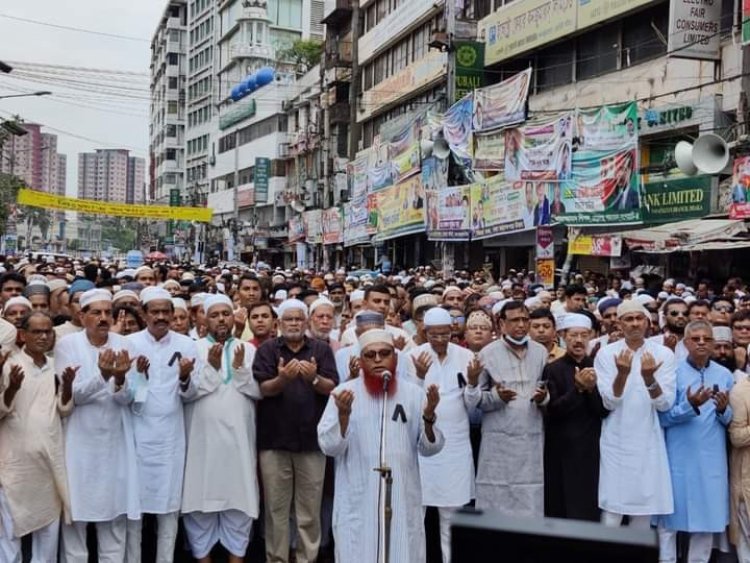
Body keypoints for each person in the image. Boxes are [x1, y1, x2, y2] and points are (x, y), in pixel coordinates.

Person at [317, 329, 443, 563]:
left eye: (384, 354)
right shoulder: (342, 393)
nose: (377, 359)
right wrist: (343, 418)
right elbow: (328, 446)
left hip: (402, 495)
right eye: (370, 355)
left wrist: (428, 417)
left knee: (402, 549)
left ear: (394, 358)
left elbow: (430, 448)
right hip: (358, 495)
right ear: (361, 360)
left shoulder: (413, 394)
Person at [55, 288, 140, 562]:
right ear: (81, 316)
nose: (104, 318)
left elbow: (128, 398)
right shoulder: (67, 346)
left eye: (108, 312)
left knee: (113, 521)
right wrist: (103, 376)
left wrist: (119, 380)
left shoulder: (125, 344)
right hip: (78, 443)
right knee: (75, 523)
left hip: (115, 444)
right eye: (96, 313)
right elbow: (72, 397)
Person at [252, 299, 339, 563]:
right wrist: (283, 379)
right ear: (278, 323)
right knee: (276, 510)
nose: (293, 324)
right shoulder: (268, 350)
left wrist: (312, 377)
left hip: (312, 443)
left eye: (298, 319)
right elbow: (263, 389)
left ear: (306, 322)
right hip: (274, 441)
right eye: (288, 319)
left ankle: (306, 559)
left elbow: (331, 386)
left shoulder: (321, 350)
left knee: (309, 510)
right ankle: (276, 559)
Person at [181, 294, 261, 562]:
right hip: (202, 442)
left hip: (239, 440)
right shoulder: (192, 348)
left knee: (239, 505)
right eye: (214, 315)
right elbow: (187, 393)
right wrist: (212, 369)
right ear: (204, 319)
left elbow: (257, 392)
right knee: (199, 506)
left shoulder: (248, 349)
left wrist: (239, 370)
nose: (221, 319)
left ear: (234, 317)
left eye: (225, 313)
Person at [125, 287, 199, 563]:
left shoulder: (187, 344)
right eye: (154, 312)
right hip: (137, 436)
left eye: (165, 312)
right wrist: (141, 377)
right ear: (144, 314)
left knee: (168, 510)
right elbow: (129, 398)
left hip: (170, 438)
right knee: (135, 510)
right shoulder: (130, 343)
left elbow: (192, 394)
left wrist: (184, 378)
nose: (160, 317)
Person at [0, 311, 75, 562]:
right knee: (9, 537)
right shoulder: (9, 365)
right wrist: (11, 390)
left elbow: (64, 410)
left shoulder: (58, 366)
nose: (43, 336)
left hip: (48, 465)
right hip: (14, 466)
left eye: (48, 331)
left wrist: (68, 388)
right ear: (22, 335)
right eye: (37, 332)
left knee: (48, 535)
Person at [594, 299, 676, 528]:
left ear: (648, 323)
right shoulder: (606, 354)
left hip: (649, 442)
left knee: (644, 511)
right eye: (628, 319)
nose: (634, 324)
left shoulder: (663, 354)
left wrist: (649, 379)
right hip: (616, 440)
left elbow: (665, 404)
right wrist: (622, 374)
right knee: (612, 511)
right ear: (619, 324)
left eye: (639, 318)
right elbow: (609, 403)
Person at [657, 320, 733, 563]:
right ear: (685, 342)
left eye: (707, 339)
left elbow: (730, 419)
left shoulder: (724, 375)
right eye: (696, 338)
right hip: (677, 457)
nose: (702, 342)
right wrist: (689, 406)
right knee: (668, 521)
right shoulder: (673, 371)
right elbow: (663, 418)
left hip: (711, 459)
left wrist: (723, 410)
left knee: (706, 521)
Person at [406, 307, 476, 563]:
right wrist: (420, 378)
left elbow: (472, 404)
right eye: (434, 335)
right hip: (421, 446)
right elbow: (408, 401)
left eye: (444, 334)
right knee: (416, 517)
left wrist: (474, 383)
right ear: (424, 332)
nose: (439, 340)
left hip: (455, 447)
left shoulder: (466, 356)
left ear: (452, 331)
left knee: (451, 516)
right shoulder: (411, 357)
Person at [464, 301, 548, 515]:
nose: (521, 325)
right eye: (515, 320)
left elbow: (547, 392)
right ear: (501, 324)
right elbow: (474, 401)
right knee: (496, 500)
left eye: (524, 320)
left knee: (530, 498)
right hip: (498, 442)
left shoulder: (540, 352)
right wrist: (496, 397)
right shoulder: (487, 353)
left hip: (531, 438)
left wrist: (543, 398)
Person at [543, 313, 608, 521]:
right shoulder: (552, 369)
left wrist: (590, 390)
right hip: (561, 447)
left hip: (591, 446)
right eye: (573, 335)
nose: (579, 340)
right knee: (561, 504)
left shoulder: (599, 366)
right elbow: (553, 409)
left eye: (584, 335)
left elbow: (603, 410)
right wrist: (578, 389)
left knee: (588, 503)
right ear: (563, 336)